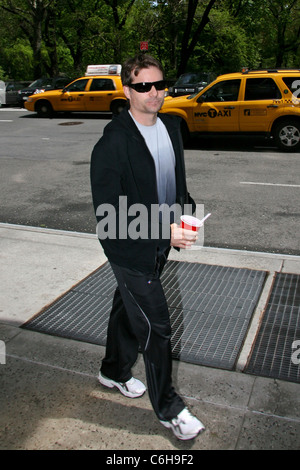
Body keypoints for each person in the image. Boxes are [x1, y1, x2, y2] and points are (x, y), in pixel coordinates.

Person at [90, 54, 205, 441]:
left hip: (160, 243)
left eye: (159, 84)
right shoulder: (113, 143)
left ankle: (113, 371)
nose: (153, 93)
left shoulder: (172, 126)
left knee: (126, 310)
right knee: (158, 327)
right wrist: (164, 231)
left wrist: (185, 214)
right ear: (127, 91)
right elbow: (108, 216)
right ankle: (170, 409)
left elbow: (173, 181)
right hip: (130, 251)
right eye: (143, 86)